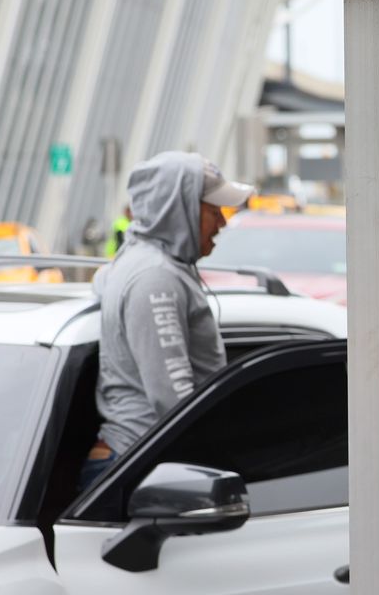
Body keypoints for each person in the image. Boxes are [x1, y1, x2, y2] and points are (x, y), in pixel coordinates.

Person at [80, 152, 252, 488]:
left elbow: (102, 282)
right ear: (179, 210)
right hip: (140, 465)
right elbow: (172, 399)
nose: (222, 222)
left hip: (136, 459)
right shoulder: (155, 277)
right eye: (213, 211)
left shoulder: (139, 261)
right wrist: (222, 463)